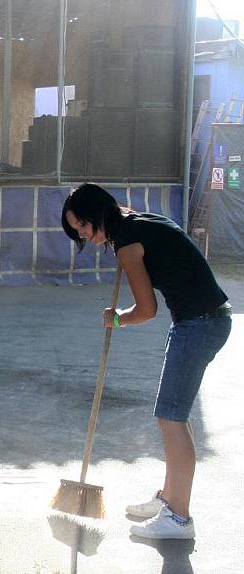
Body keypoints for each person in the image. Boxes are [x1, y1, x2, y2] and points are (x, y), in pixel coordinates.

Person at [62, 183, 232, 541]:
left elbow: (146, 310)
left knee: (172, 418)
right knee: (170, 416)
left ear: (96, 213)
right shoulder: (137, 223)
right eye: (76, 229)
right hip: (202, 319)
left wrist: (117, 319)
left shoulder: (127, 242)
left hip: (199, 324)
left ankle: (179, 518)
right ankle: (170, 499)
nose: (81, 234)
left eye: (81, 225)